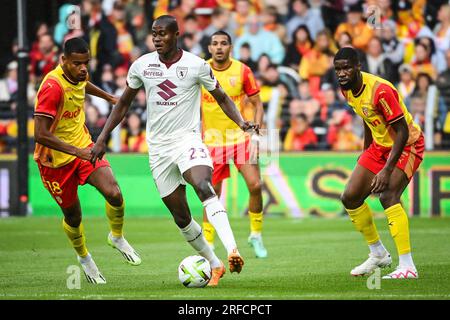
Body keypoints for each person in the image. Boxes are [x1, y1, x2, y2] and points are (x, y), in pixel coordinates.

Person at [90, 15, 256, 287]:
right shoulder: (141, 66)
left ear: (176, 35)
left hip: (187, 141)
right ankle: (215, 264)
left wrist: (242, 123)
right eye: (154, 33)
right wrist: (102, 137)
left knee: (204, 186)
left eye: (163, 34)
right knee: (181, 217)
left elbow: (222, 97)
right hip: (158, 149)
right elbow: (122, 105)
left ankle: (233, 250)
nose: (157, 38)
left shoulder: (196, 65)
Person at [33, 37, 141, 285]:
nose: (83, 68)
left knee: (114, 192)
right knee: (74, 216)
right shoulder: (52, 87)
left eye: (86, 63)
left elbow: (82, 85)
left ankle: (116, 236)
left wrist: (110, 98)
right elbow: (40, 134)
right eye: (77, 64)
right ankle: (84, 259)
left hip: (83, 148)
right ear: (63, 61)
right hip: (54, 162)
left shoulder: (77, 76)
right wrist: (76, 152)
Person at [334, 47, 424, 279]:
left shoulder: (380, 91)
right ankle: (378, 254)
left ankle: (407, 266)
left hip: (407, 145)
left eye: (346, 68)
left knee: (388, 195)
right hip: (379, 146)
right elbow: (367, 118)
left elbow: (402, 131)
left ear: (358, 67)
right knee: (350, 197)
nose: (342, 73)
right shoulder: (347, 90)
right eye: (338, 69)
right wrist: (366, 153)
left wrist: (386, 170)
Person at [201, 31, 267, 258]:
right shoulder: (201, 69)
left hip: (240, 138)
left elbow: (258, 104)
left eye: (223, 43)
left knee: (256, 185)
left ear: (230, 47)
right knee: (211, 195)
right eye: (215, 43)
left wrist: (257, 135)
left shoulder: (242, 71)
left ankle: (256, 235)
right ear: (210, 48)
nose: (219, 47)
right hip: (212, 142)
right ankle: (208, 243)